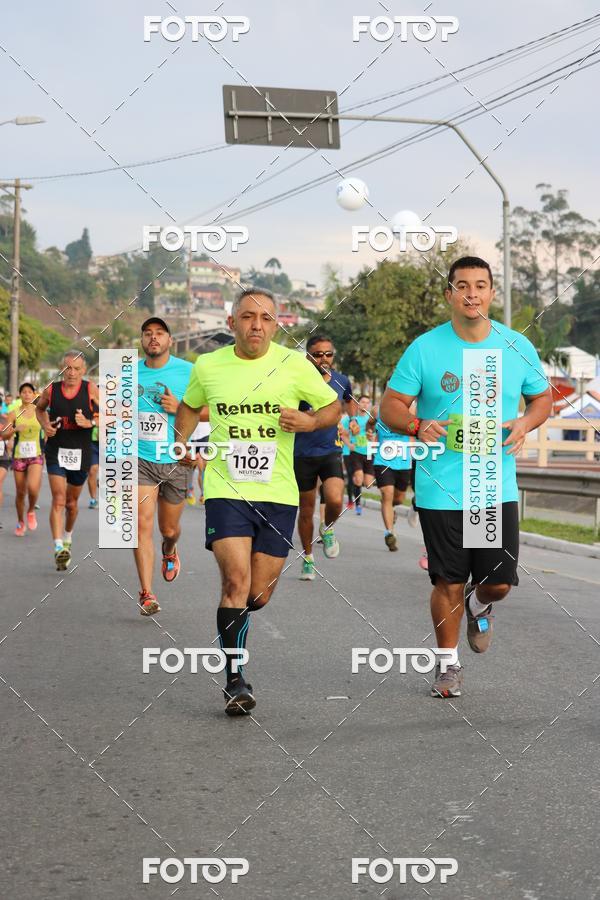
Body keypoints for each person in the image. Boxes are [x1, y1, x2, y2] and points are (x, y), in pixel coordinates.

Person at [380, 255, 552, 699]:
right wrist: (416, 425)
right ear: (449, 294)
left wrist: (525, 423)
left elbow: (541, 400)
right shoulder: (425, 348)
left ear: (492, 293)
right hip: (441, 486)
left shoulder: (516, 346)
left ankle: (481, 605)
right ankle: (448, 665)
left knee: (496, 582)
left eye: (480, 285)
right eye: (462, 285)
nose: (471, 293)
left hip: (492, 485)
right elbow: (391, 406)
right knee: (447, 580)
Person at [175, 287, 340, 715]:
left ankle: (239, 623)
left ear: (276, 324)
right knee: (234, 582)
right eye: (248, 316)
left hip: (278, 494)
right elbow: (190, 407)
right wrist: (182, 442)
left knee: (258, 594)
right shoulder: (209, 365)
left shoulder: (292, 364)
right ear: (232, 323)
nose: (257, 325)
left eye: (266, 318)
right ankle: (235, 680)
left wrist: (309, 421)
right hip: (226, 488)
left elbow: (332, 407)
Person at [134, 317, 193, 616]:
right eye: (148, 334)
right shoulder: (128, 373)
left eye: (159, 333)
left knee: (168, 528)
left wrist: (179, 408)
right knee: (141, 525)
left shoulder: (189, 371)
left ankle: (169, 550)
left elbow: (212, 410)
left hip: (176, 460)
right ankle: (147, 593)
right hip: (141, 459)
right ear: (142, 341)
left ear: (170, 340)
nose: (153, 338)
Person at [294, 334, 351, 580]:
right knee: (306, 510)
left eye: (328, 354)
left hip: (331, 450)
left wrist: (349, 422)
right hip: (302, 452)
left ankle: (327, 528)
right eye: (318, 354)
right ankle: (308, 557)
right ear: (308, 356)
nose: (323, 359)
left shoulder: (341, 381)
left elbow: (348, 405)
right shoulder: (296, 382)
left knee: (335, 499)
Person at [36, 351, 99, 570]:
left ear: (83, 370)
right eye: (67, 368)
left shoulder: (90, 389)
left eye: (76, 369)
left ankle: (68, 537)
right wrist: (45, 426)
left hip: (81, 453)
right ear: (62, 369)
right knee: (59, 499)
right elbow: (39, 409)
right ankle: (57, 547)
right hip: (55, 451)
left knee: (72, 504)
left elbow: (111, 414)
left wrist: (90, 422)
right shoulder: (51, 390)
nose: (71, 373)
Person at [370, 395, 412, 552]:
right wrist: (370, 429)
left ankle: (389, 509)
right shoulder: (376, 410)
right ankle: (389, 533)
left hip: (403, 461)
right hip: (383, 460)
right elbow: (370, 425)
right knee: (387, 493)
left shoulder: (410, 409)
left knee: (399, 498)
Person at [4, 382, 44, 535]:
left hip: (36, 454)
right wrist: (14, 429)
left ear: (34, 395)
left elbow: (47, 427)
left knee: (33, 488)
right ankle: (21, 522)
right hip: (19, 456)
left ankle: (31, 510)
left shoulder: (39, 411)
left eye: (30, 392)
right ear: (20, 395)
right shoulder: (14, 413)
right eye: (24, 392)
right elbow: (4, 434)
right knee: (20, 492)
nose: (27, 394)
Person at [347, 395, 376, 515]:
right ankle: (358, 503)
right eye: (363, 402)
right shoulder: (353, 419)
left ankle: (354, 485)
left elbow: (377, 433)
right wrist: (349, 445)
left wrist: (374, 440)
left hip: (369, 452)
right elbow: (342, 433)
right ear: (358, 404)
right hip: (356, 452)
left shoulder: (372, 419)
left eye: (367, 403)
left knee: (368, 483)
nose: (365, 404)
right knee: (359, 479)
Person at [186, 411, 210, 505]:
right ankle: (190, 489)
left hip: (205, 435)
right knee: (191, 464)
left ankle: (203, 494)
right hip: (191, 436)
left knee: (202, 465)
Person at [87, 422, 99, 509]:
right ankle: (93, 499)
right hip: (92, 442)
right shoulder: (92, 408)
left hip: (111, 441)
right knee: (92, 470)